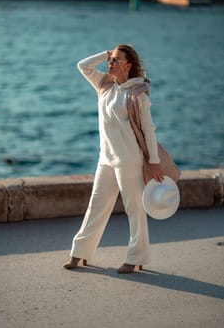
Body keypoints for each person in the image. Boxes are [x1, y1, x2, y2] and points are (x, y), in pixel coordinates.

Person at [63, 44, 164, 274]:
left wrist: (154, 161)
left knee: (135, 209)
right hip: (106, 158)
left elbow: (149, 129)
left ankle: (136, 256)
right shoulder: (105, 85)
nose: (110, 63)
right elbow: (82, 66)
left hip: (129, 160)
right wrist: (105, 54)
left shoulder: (137, 93)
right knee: (96, 206)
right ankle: (80, 251)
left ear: (128, 65)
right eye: (111, 59)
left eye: (116, 60)